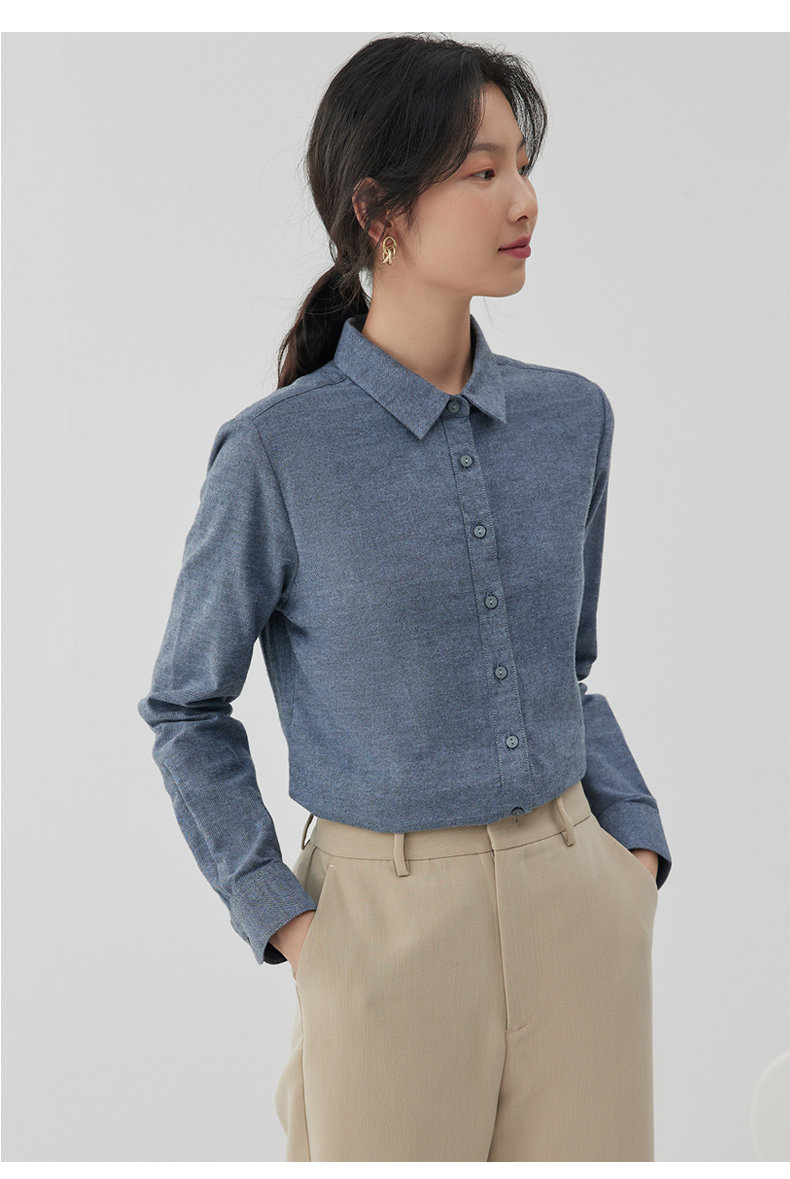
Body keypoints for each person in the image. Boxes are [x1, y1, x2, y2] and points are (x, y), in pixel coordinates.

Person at [137, 32, 672, 1163]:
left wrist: (634, 852)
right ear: (379, 212)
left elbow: (569, 669)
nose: (522, 199)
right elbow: (186, 707)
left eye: (521, 165)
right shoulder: (276, 453)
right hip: (383, 928)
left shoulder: (573, 418)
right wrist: (287, 919)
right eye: (482, 171)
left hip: (581, 903)